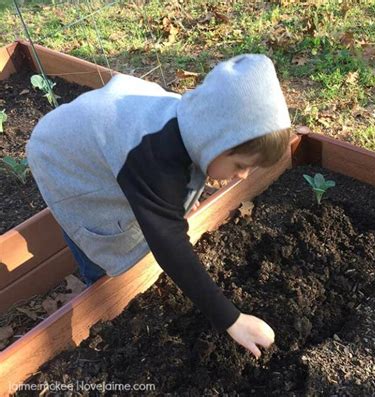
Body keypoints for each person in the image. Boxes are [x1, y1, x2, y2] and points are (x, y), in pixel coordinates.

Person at [26, 54, 291, 359]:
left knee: (150, 206)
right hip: (66, 159)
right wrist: (231, 319)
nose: (243, 175)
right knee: (97, 234)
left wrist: (174, 205)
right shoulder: (152, 159)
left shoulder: (195, 126)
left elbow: (178, 180)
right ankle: (96, 282)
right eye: (241, 164)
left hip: (104, 134)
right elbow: (168, 243)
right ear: (215, 141)